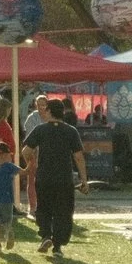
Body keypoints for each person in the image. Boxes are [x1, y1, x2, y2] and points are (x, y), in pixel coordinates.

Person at [23, 93, 88, 255]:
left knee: (43, 208)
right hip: (64, 178)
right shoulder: (71, 131)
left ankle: (45, 235)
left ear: (49, 112)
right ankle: (58, 246)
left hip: (44, 176)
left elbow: (25, 151)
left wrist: (32, 163)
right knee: (63, 211)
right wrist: (84, 179)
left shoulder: (40, 130)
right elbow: (78, 157)